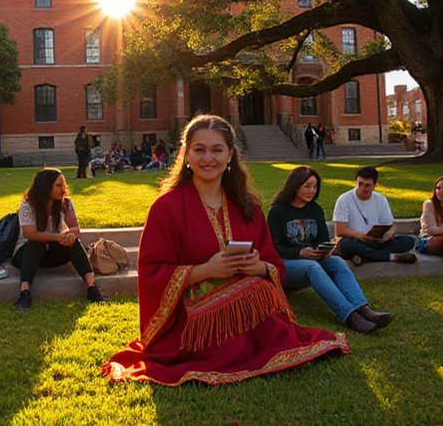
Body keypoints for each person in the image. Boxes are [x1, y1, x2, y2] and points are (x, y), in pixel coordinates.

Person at [104, 115, 348, 386]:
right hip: (190, 317)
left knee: (257, 292)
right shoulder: (166, 208)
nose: (208, 157)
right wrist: (204, 271)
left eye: (217, 149)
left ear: (230, 155)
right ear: (185, 155)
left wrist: (258, 267)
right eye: (199, 149)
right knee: (242, 306)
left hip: (250, 305)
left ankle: (254, 343)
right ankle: (229, 348)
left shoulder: (249, 207)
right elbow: (151, 270)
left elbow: (273, 261)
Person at [268, 166, 394, 333]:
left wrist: (324, 250)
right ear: (295, 185)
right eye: (307, 186)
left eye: (315, 187)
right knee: (311, 267)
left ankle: (363, 309)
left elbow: (322, 240)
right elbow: (272, 247)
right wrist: (299, 253)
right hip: (284, 265)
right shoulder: (278, 211)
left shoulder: (315, 209)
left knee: (336, 261)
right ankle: (350, 317)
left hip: (311, 258)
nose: (312, 191)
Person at [12, 168, 108, 310]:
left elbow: (75, 228)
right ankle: (24, 293)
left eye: (64, 185)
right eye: (58, 185)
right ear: (45, 186)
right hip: (26, 254)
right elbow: (30, 234)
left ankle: (92, 288)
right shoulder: (28, 205)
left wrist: (70, 236)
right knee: (35, 244)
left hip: (53, 251)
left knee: (73, 242)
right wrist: (57, 237)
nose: (63, 189)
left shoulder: (66, 203)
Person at [333, 166, 417, 265]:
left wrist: (387, 235)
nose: (362, 188)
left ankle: (363, 256)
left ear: (374, 185)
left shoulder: (381, 199)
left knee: (409, 241)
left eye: (367, 185)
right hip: (355, 240)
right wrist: (362, 235)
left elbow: (389, 226)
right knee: (346, 245)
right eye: (360, 184)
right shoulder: (344, 199)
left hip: (377, 242)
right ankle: (392, 257)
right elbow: (340, 231)